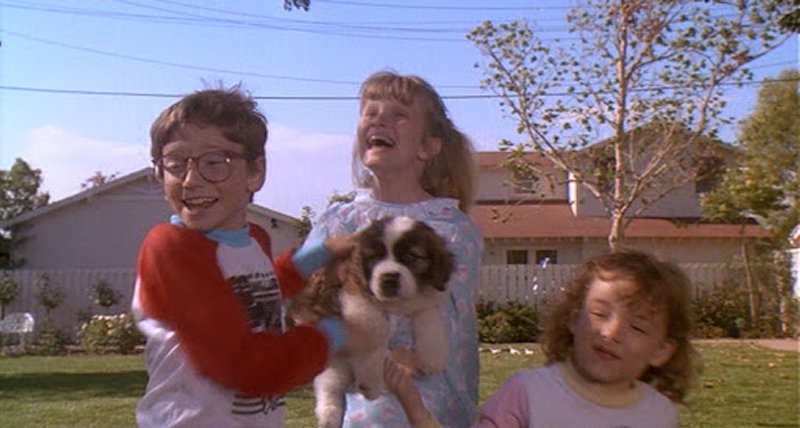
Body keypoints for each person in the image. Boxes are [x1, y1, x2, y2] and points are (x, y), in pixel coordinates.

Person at [131, 86, 350, 427]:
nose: (190, 180)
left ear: (255, 173)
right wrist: (331, 334)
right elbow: (244, 366)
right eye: (175, 164)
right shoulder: (171, 247)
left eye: (214, 162)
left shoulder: (254, 239)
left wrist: (317, 255)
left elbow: (252, 294)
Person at [302, 70, 483, 427]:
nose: (379, 120)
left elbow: (445, 316)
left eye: (398, 115)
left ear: (427, 147)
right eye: (370, 113)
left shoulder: (451, 228)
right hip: (358, 405)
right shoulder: (338, 220)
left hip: (431, 404)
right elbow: (306, 294)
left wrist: (412, 356)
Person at [475, 249, 702, 428]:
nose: (611, 333)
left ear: (660, 350)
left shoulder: (659, 414)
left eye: (637, 327)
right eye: (600, 314)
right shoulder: (527, 393)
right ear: (574, 319)